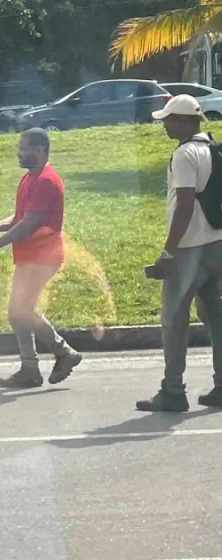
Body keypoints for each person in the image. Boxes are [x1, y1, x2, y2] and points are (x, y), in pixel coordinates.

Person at [0, 127, 83, 388]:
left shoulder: (46, 181)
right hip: (30, 257)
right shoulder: (30, 178)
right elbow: (20, 217)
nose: (19, 152)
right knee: (16, 312)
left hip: (43, 257)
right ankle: (30, 368)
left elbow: (28, 224)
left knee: (21, 310)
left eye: (24, 148)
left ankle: (63, 353)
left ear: (40, 150)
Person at [135, 94, 222, 412]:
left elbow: (184, 204)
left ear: (185, 121)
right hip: (216, 243)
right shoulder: (213, 147)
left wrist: (168, 252)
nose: (164, 124)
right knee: (216, 317)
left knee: (173, 320)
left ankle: (173, 391)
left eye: (169, 119)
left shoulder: (185, 154)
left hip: (189, 249)